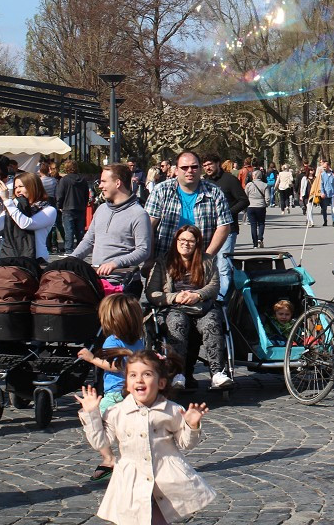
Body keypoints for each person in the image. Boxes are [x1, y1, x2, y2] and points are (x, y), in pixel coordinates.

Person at [75, 350, 216, 525]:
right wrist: (92, 415)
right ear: (127, 384)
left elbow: (186, 443)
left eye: (147, 374)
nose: (139, 380)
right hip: (131, 481)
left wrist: (191, 425)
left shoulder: (172, 410)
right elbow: (100, 442)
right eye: (133, 375)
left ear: (161, 383)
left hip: (164, 480)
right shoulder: (116, 412)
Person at [146, 225, 232, 389]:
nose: (186, 244)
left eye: (191, 241)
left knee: (212, 324)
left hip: (202, 307)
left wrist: (197, 295)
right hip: (175, 307)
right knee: (177, 325)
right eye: (182, 240)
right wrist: (174, 297)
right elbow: (152, 292)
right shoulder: (163, 262)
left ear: (197, 243)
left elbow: (214, 286)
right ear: (176, 241)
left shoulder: (207, 261)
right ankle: (178, 374)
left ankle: (217, 373)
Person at [75, 293, 145, 481]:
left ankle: (108, 459)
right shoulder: (139, 340)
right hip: (135, 394)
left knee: (95, 423)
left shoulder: (112, 341)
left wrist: (92, 359)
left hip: (115, 395)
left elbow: (117, 366)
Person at [144, 150, 233, 272]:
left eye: (194, 167)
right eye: (184, 167)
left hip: (200, 262)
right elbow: (148, 225)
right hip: (164, 261)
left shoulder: (214, 192)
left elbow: (224, 226)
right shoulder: (161, 190)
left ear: (200, 168)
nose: (189, 171)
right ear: (176, 170)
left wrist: (207, 257)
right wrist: (149, 259)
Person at [72, 164, 152, 298]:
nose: (100, 186)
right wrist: (71, 260)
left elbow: (143, 250)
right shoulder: (102, 209)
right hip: (97, 282)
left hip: (123, 285)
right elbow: (89, 240)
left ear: (117, 183)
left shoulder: (139, 214)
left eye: (103, 181)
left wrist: (115, 263)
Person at [0, 171, 58, 261]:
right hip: (12, 259)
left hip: (36, 260)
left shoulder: (48, 210)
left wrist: (7, 201)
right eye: (15, 187)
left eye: (21, 186)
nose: (17, 190)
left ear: (33, 186)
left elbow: (26, 224)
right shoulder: (13, 209)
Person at [198, 154, 245, 297]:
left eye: (210, 164)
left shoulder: (229, 180)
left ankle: (221, 300)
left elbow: (243, 200)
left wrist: (227, 214)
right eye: (204, 165)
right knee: (207, 265)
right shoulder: (203, 182)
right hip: (208, 230)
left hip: (228, 230)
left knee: (223, 266)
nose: (207, 168)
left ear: (218, 164)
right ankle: (209, 295)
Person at [56, 159, 90, 254]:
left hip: (67, 207)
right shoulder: (83, 180)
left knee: (69, 230)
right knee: (80, 230)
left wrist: (59, 205)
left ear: (66, 168)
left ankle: (69, 249)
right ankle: (81, 248)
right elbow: (86, 194)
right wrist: (84, 203)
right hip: (80, 206)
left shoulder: (64, 180)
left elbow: (60, 194)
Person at [244, 169, 269, 248]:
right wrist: (266, 204)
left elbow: (245, 196)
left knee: (253, 225)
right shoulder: (265, 185)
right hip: (261, 206)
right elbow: (267, 198)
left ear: (254, 176)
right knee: (261, 223)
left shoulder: (249, 185)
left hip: (251, 206)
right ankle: (260, 238)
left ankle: (254, 243)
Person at [318, 162, 334, 227]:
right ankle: (325, 220)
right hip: (325, 194)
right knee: (324, 208)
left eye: (325, 167)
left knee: (333, 208)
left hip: (332, 194)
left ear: (328, 166)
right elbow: (321, 184)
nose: (324, 168)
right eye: (323, 167)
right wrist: (322, 192)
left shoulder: (333, 174)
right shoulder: (323, 174)